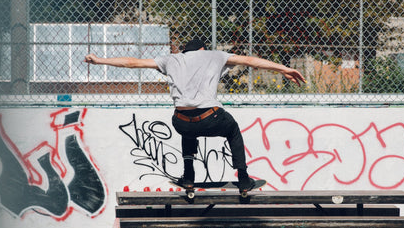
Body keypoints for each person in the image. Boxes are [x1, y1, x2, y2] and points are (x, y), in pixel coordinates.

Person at [84, 38, 305, 192]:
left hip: (181, 120)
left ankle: (188, 176)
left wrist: (99, 60)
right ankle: (244, 179)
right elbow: (250, 61)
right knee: (233, 129)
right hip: (211, 117)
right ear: (202, 49)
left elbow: (132, 63)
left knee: (187, 128)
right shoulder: (215, 55)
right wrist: (283, 68)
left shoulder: (170, 59)